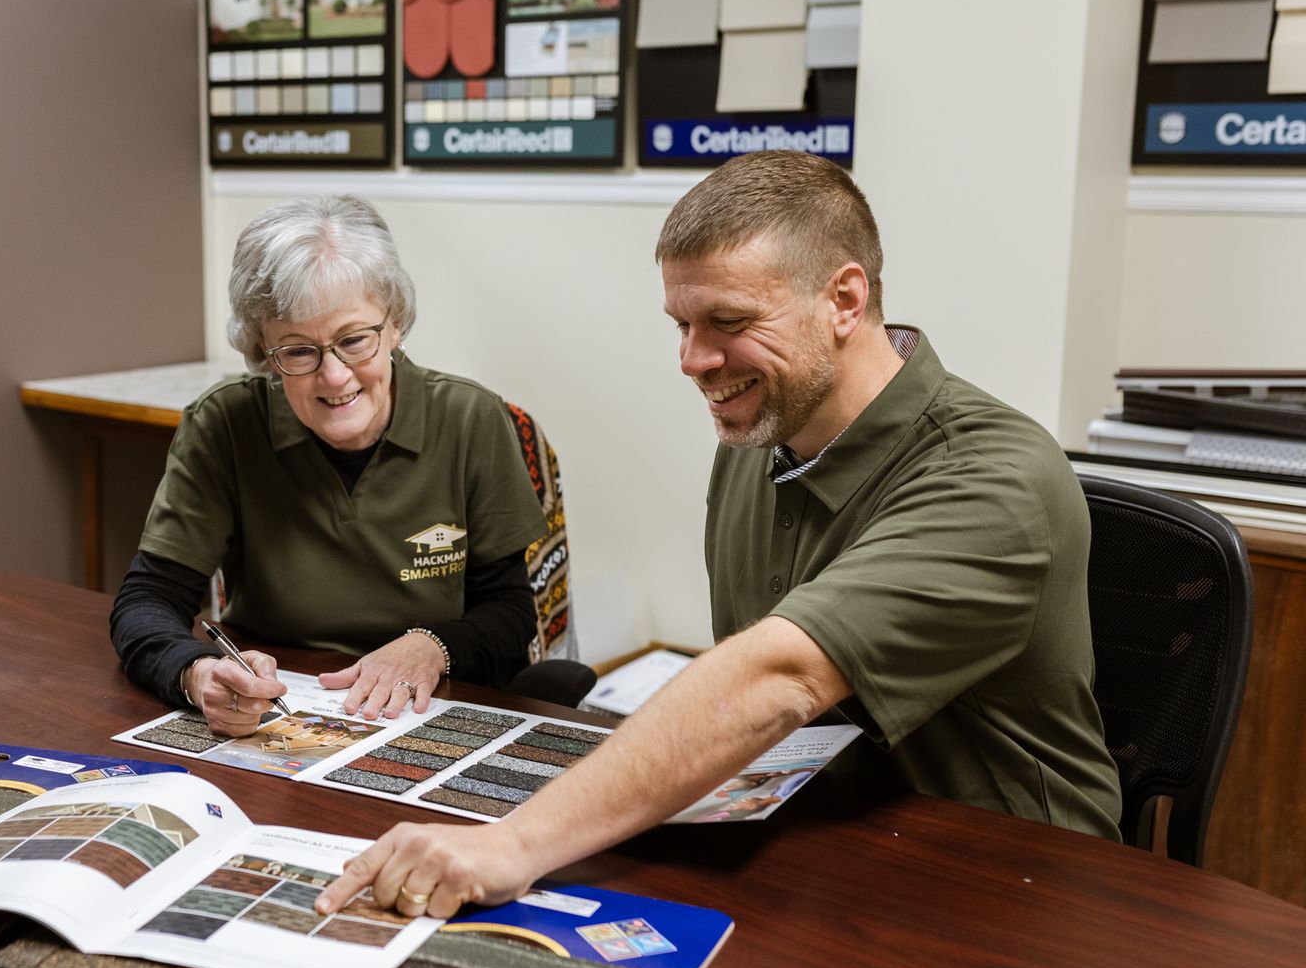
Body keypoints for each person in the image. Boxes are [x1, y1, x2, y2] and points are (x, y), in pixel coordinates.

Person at [316, 150, 1123, 921]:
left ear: (844, 301)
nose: (693, 360)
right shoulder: (764, 434)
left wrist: (514, 844)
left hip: (1013, 888)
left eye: (728, 321)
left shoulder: (995, 479)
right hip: (815, 847)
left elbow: (779, 676)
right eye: (682, 323)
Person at [110, 195, 552, 735]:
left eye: (354, 340)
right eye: (298, 351)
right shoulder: (224, 425)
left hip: (430, 712)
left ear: (395, 326)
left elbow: (511, 616)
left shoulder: (470, 419)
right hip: (281, 713)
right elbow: (146, 600)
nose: (335, 376)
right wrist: (195, 671)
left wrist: (431, 646)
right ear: (261, 352)